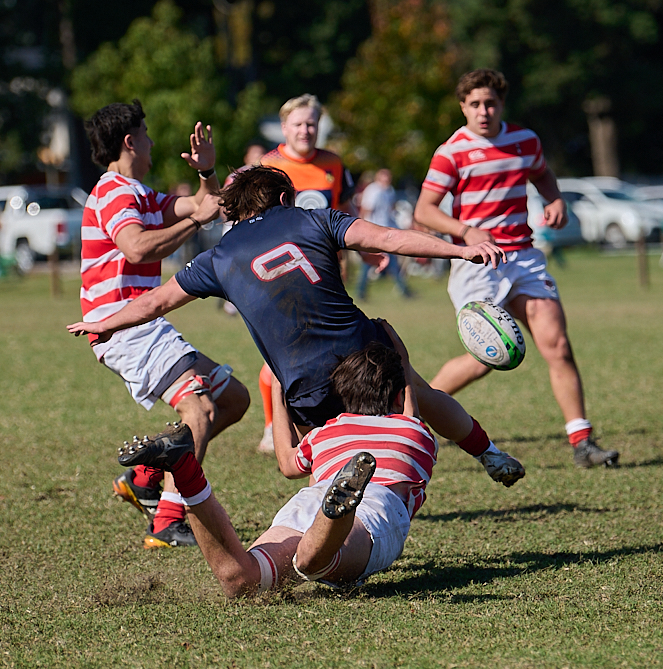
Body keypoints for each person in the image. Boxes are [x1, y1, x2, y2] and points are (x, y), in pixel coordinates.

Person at [68, 164, 526, 487]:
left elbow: (155, 302)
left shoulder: (219, 258)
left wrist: (105, 323)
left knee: (326, 464)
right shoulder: (315, 219)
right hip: (363, 357)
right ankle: (488, 452)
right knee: (420, 394)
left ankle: (332, 526)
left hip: (305, 388)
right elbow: (388, 239)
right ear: (285, 198)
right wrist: (461, 250)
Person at [413, 69, 619, 469]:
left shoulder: (524, 140)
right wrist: (465, 232)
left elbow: (541, 174)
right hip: (476, 264)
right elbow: (424, 210)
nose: (483, 111)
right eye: (474, 104)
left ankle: (582, 442)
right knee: (485, 358)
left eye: (490, 103)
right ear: (463, 107)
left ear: (501, 104)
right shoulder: (451, 151)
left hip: (522, 257)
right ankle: (411, 417)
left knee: (557, 344)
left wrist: (555, 199)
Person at [116, 337, 435, 596]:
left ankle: (184, 469)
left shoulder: (325, 432)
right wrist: (397, 348)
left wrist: (278, 389)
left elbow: (287, 461)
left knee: (242, 580)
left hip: (310, 499)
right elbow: (409, 400)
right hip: (375, 505)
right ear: (397, 397)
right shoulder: (413, 431)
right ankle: (336, 512)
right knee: (311, 563)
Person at [79, 99, 250, 549]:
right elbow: (135, 248)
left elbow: (204, 204)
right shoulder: (114, 192)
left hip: (144, 322)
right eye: (147, 133)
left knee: (233, 399)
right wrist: (195, 219)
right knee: (201, 410)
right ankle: (167, 523)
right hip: (125, 327)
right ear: (131, 141)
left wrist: (206, 172)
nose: (154, 142)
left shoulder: (140, 192)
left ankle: (145, 476)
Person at [254, 94, 357, 453]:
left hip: (327, 272)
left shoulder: (333, 163)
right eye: (298, 124)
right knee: (283, 351)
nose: (305, 130)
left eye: (311, 123)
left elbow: (346, 210)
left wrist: (368, 251)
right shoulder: (267, 164)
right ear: (284, 128)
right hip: (283, 275)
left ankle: (333, 422)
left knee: (330, 348)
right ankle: (272, 427)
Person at [356, 169, 412, 299]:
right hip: (373, 231)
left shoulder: (389, 190)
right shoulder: (373, 190)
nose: (387, 180)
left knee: (393, 262)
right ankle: (360, 291)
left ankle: (402, 289)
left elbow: (390, 208)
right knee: (368, 262)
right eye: (384, 177)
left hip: (386, 230)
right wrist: (361, 229)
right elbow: (366, 210)